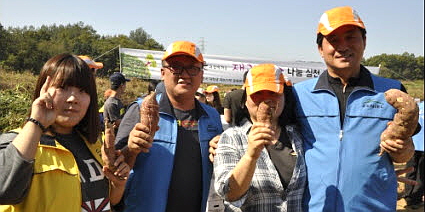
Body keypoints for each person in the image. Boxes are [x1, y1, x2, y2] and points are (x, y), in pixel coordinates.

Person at [292, 6, 416, 212]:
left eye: (351, 37)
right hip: (314, 206)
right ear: (320, 49)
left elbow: (406, 147)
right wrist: (218, 138)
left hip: (374, 206)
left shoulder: (393, 91)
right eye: (333, 40)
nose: (343, 46)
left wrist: (403, 151)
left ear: (364, 42)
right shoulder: (298, 95)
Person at [0, 53, 130, 212]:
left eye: (83, 90)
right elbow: (3, 190)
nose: (73, 98)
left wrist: (118, 184)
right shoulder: (17, 141)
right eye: (63, 87)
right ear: (44, 88)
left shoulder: (96, 143)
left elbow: (107, 200)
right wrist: (37, 122)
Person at [115, 40, 223, 212]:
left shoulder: (212, 117)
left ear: (202, 75)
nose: (185, 74)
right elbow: (114, 168)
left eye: (193, 68)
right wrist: (131, 149)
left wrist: (221, 152)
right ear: (163, 73)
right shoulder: (141, 109)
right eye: (176, 67)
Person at [214, 63, 306, 211]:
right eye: (257, 94)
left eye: (273, 93)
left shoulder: (298, 135)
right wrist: (250, 156)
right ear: (245, 100)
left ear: (284, 97)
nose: (266, 100)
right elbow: (228, 193)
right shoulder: (231, 138)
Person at [401, 100, 424, 209]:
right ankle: (415, 199)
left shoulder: (417, 106)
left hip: (413, 143)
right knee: (421, 174)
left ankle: (408, 195)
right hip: (422, 144)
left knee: (411, 169)